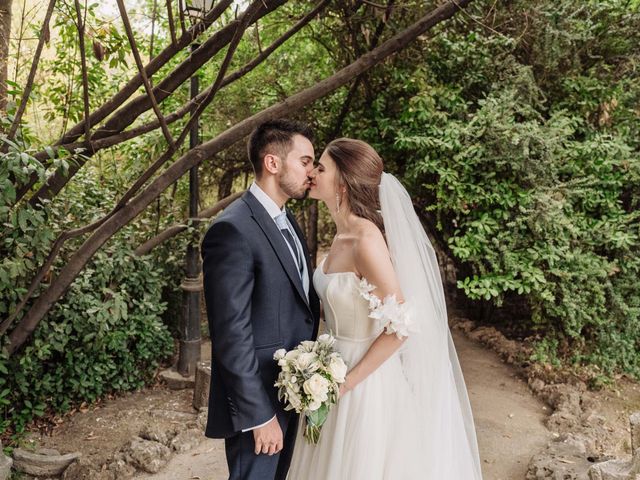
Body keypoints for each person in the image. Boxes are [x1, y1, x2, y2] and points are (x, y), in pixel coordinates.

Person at [287, 138, 483, 479]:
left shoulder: (366, 240)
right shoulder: (339, 236)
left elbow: (402, 327)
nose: (313, 172)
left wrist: (347, 383)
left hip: (364, 384)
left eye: (321, 167)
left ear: (343, 182)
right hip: (328, 370)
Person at [201, 119, 321, 480]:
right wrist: (259, 415)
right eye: (305, 161)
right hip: (260, 404)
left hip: (290, 393)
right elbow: (230, 334)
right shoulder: (232, 229)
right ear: (273, 163)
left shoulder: (287, 219)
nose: (312, 172)